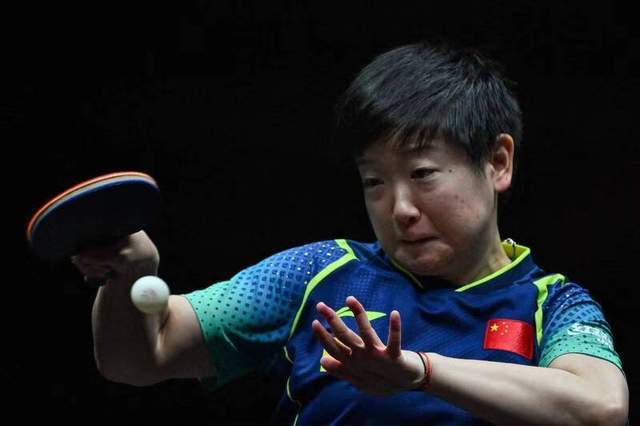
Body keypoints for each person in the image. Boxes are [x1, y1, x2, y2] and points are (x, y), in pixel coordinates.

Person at [72, 42, 629, 425]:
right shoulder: (315, 275)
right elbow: (140, 357)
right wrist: (127, 279)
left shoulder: (554, 304)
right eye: (374, 182)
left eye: (422, 174)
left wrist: (418, 373)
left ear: (497, 162)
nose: (400, 208)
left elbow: (600, 408)